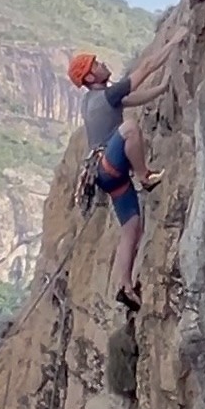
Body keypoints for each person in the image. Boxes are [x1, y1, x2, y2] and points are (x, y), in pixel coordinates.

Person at [68, 49, 162, 309]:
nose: (102, 64)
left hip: (108, 176)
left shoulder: (93, 100)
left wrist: (163, 87)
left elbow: (132, 99)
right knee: (130, 128)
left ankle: (125, 286)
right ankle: (145, 176)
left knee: (131, 228)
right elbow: (147, 68)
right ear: (89, 77)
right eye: (95, 64)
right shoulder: (106, 95)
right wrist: (177, 39)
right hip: (107, 166)